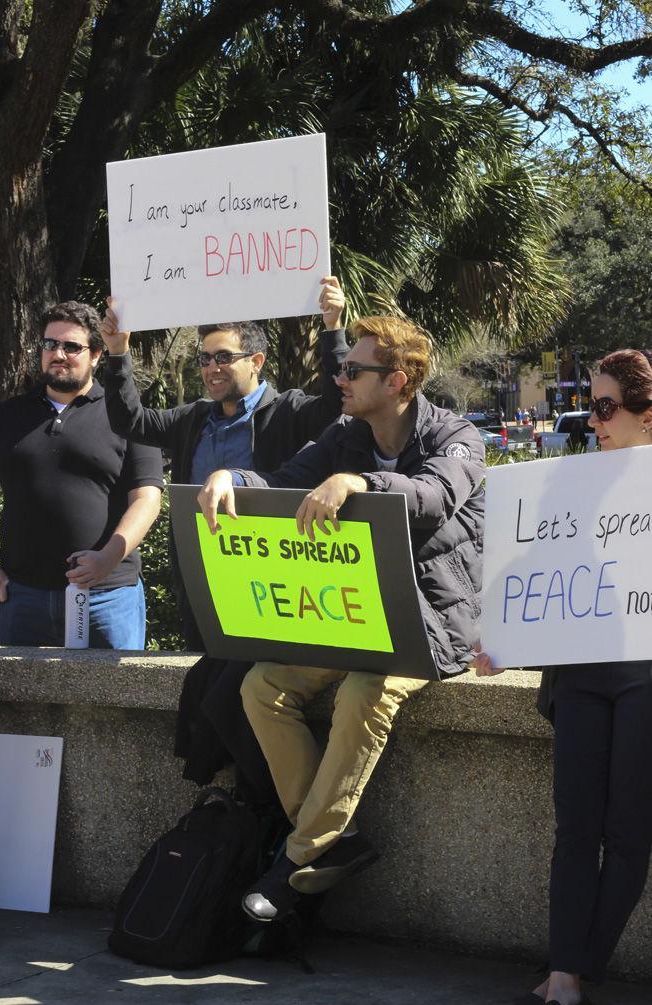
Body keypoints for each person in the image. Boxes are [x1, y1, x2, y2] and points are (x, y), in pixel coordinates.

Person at [199, 314, 485, 921]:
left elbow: (432, 498)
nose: (340, 377)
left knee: (363, 692)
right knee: (262, 685)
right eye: (340, 367)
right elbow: (280, 482)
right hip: (352, 617)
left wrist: (359, 481)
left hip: (430, 623)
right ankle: (332, 841)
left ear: (399, 380)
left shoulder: (456, 437)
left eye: (354, 370)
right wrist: (231, 478)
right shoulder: (342, 432)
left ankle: (294, 862)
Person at [101, 278, 347, 799]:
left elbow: (336, 404)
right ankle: (230, 798)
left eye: (223, 357)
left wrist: (333, 330)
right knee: (211, 679)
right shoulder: (195, 419)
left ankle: (265, 801)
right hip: (203, 580)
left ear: (256, 362)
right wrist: (118, 353)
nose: (210, 368)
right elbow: (131, 419)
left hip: (269, 581)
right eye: (204, 358)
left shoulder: (289, 412)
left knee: (247, 690)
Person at [475, 348, 652, 1005]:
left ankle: (576, 967)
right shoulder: (567, 485)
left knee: (630, 832)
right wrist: (505, 642)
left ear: (645, 414)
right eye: (592, 407)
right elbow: (534, 579)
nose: (594, 420)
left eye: (606, 407)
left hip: (644, 677)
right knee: (576, 827)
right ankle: (564, 975)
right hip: (581, 672)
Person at [0, 301, 163, 648]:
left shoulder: (128, 416)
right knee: (20, 703)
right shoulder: (8, 416)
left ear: (96, 354)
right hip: (22, 599)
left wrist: (109, 558)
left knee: (115, 700)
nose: (58, 354)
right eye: (50, 344)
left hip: (107, 597)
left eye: (71, 346)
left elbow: (148, 498)